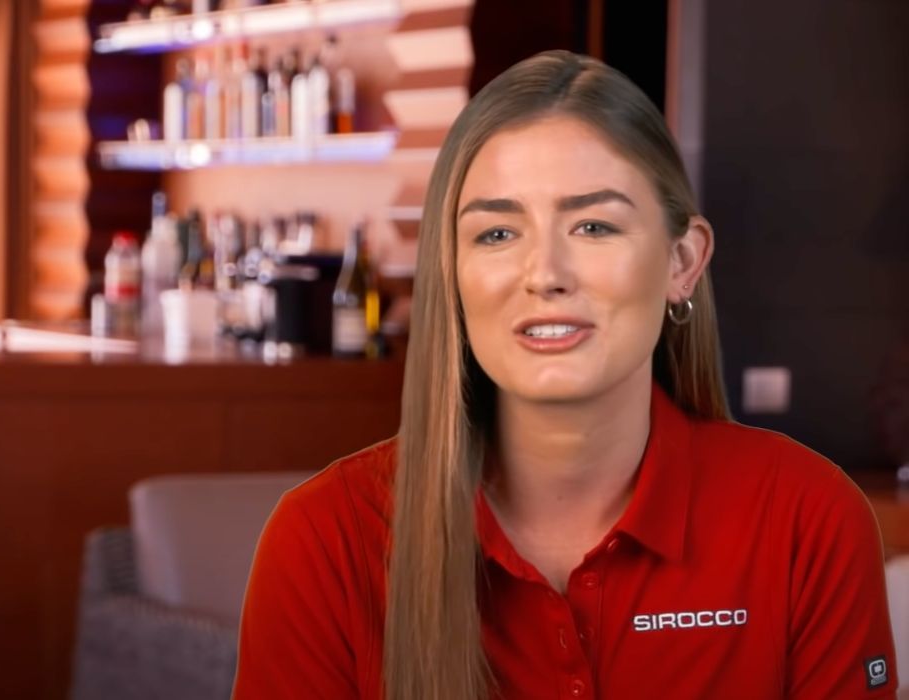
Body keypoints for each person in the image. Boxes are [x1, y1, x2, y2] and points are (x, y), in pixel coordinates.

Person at [232, 50, 898, 699]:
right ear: (451, 272)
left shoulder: (807, 520)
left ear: (682, 262)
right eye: (496, 234)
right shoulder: (324, 542)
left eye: (593, 226)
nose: (545, 273)